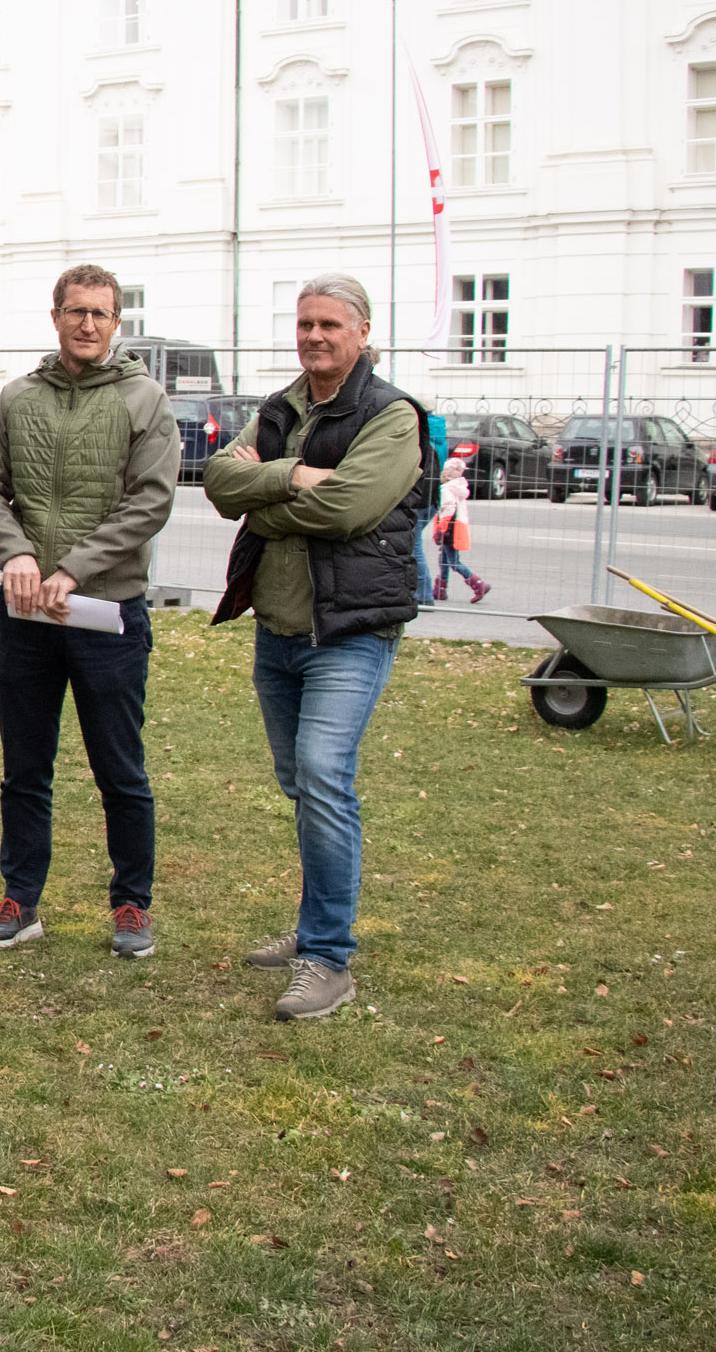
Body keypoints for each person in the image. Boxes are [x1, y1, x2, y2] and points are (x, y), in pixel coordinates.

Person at [204, 273, 434, 1022]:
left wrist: (266, 504)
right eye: (305, 324)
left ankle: (328, 958)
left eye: (330, 324)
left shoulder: (390, 415)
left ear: (363, 332)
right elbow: (214, 480)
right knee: (302, 784)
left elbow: (348, 508)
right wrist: (293, 473)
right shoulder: (282, 409)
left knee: (322, 776)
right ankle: (313, 925)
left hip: (350, 631)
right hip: (278, 629)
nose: (314, 336)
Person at [0, 264, 181, 956]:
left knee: (120, 768)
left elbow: (150, 501)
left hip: (106, 616)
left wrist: (74, 569)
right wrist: (17, 557)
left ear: (117, 324)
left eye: (102, 314)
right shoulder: (18, 397)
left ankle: (131, 905)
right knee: (25, 766)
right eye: (76, 310)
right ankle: (20, 899)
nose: (88, 324)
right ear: (55, 315)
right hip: (24, 614)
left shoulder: (145, 400)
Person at [432, 455, 490, 603]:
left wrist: (442, 528)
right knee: (443, 559)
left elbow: (448, 508)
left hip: (449, 528)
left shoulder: (446, 489)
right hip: (456, 526)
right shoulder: (459, 486)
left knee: (453, 562)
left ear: (446, 473)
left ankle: (478, 584)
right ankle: (440, 590)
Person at [412, 404, 448, 605]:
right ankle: (423, 592)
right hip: (433, 497)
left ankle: (424, 595)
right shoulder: (439, 435)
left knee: (414, 548)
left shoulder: (418, 441)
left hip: (420, 499)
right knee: (414, 545)